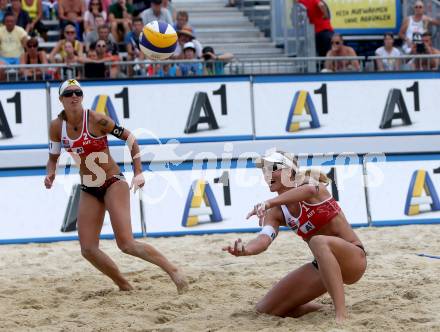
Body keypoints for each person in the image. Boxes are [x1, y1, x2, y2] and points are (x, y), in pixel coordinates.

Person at [45, 79, 189, 294]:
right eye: (69, 93)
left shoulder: (96, 119)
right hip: (89, 187)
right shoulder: (57, 127)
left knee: (127, 244)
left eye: (78, 92)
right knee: (88, 249)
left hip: (113, 182)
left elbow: (130, 138)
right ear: (61, 99)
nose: (74, 96)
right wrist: (50, 173)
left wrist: (138, 172)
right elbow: (52, 157)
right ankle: (124, 285)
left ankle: (173, 270)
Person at [223, 151, 367, 322]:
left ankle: (341, 315)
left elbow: (310, 190)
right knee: (266, 309)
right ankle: (323, 309)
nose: (267, 173)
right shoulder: (276, 212)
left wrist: (268, 202)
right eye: (264, 170)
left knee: (318, 241)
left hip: (353, 259)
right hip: (324, 267)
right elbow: (263, 239)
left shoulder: (308, 184)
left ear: (290, 171)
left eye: (273, 168)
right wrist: (245, 250)